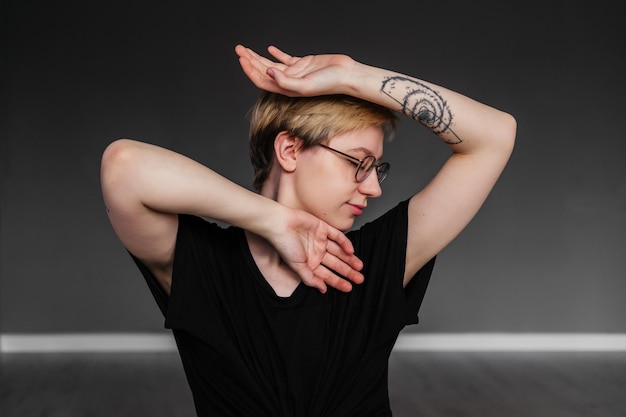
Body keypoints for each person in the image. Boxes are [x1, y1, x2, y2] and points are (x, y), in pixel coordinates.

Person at [100, 44, 516, 416]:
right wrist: (272, 220)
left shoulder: (374, 259)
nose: (372, 187)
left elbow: (495, 135)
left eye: (377, 169)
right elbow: (123, 168)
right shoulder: (203, 266)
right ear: (290, 149)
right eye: (358, 162)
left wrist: (354, 75)